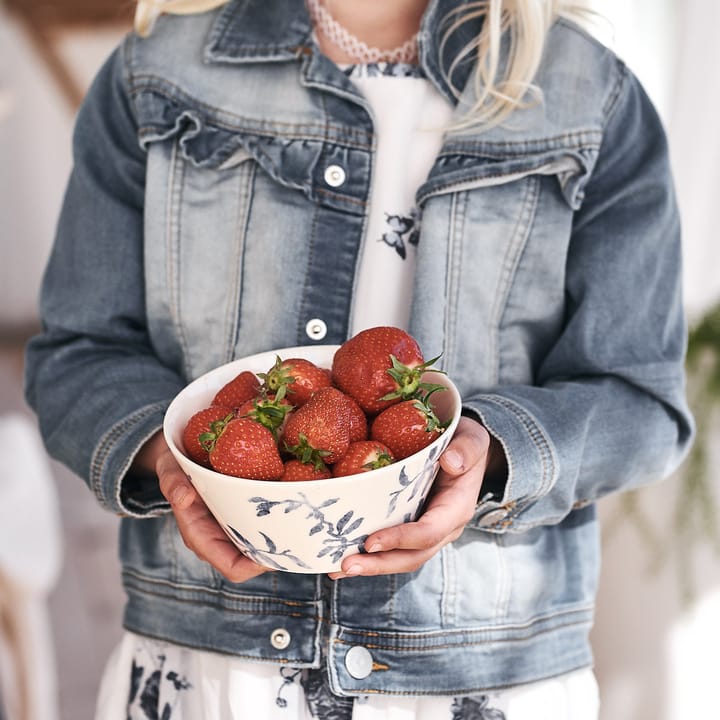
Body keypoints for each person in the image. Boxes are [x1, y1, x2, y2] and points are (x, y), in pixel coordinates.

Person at [24, 0, 694, 717]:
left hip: (477, 679)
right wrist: (178, 461)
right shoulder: (155, 72)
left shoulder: (592, 95)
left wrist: (490, 454)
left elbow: (641, 401)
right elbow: (79, 354)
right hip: (216, 671)